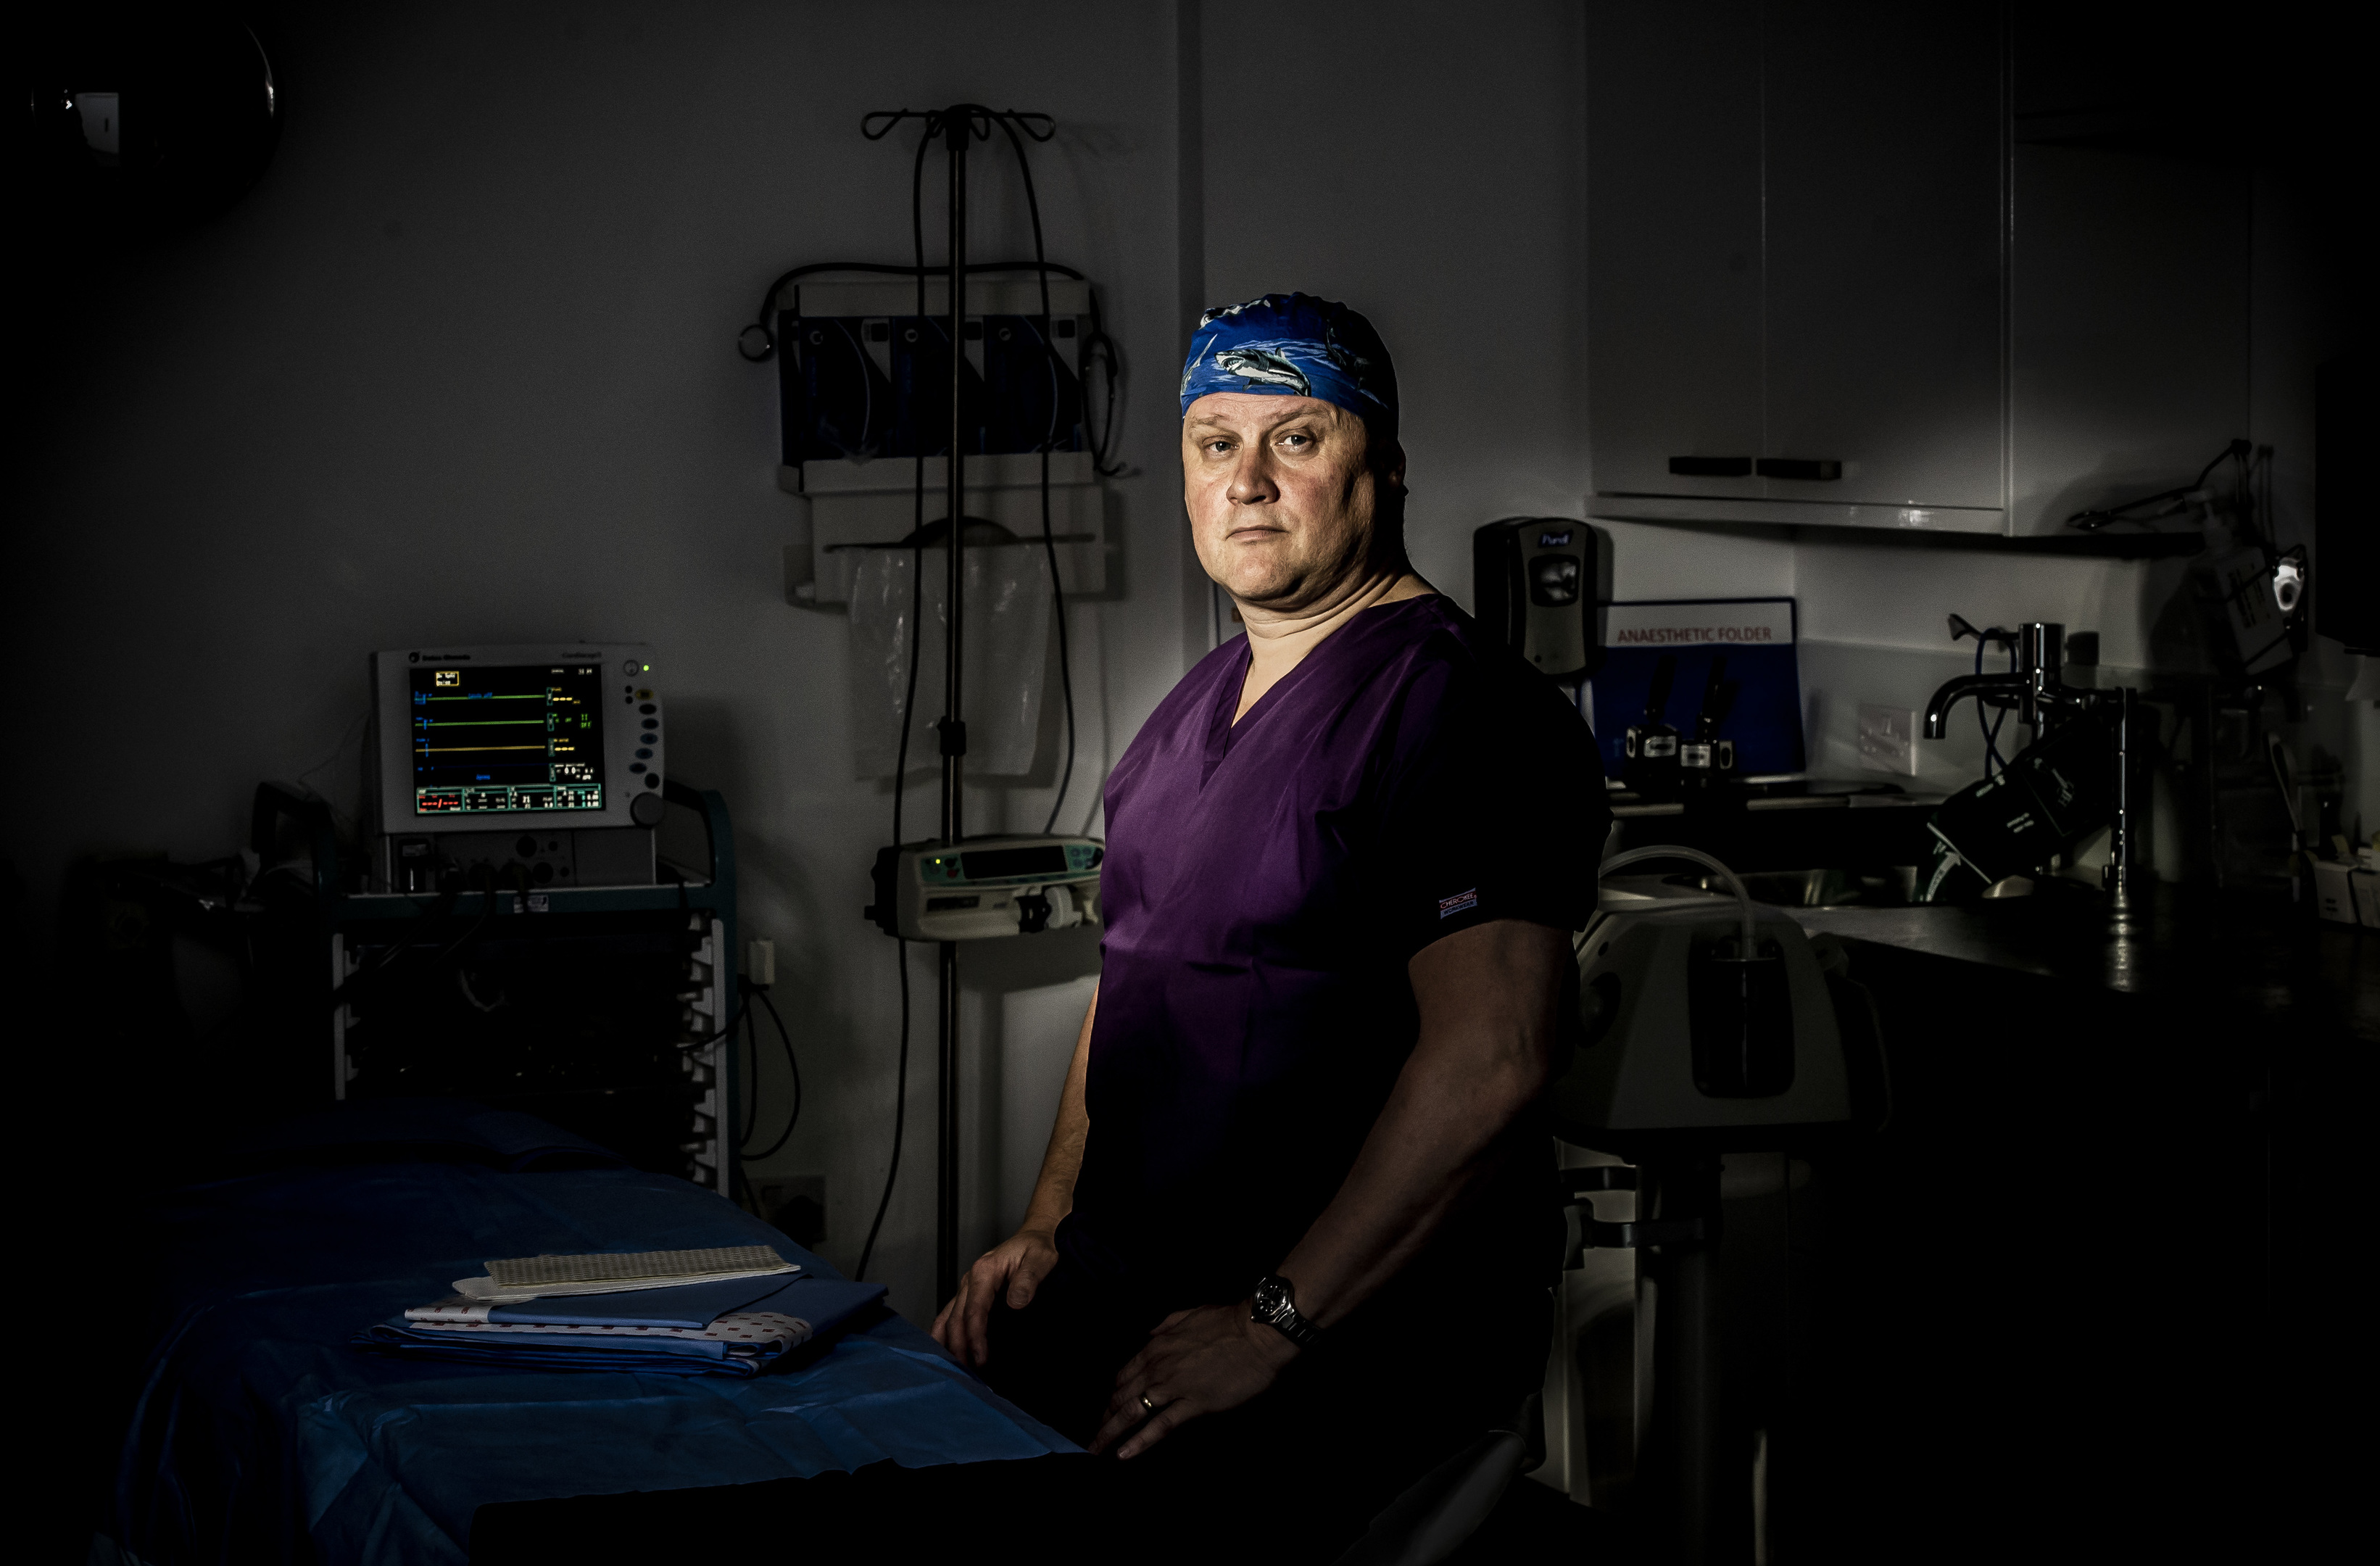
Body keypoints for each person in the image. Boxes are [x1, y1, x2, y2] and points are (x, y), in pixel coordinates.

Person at [931, 293, 1610, 1554]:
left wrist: (1272, 1324)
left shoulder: (1460, 715)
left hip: (1334, 1343)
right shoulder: (1195, 708)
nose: (1247, 480)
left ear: (1385, 468)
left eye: (1296, 438)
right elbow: (1132, 979)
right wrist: (1046, 1226)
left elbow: (1494, 1058)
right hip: (1140, 1296)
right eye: (1213, 443)